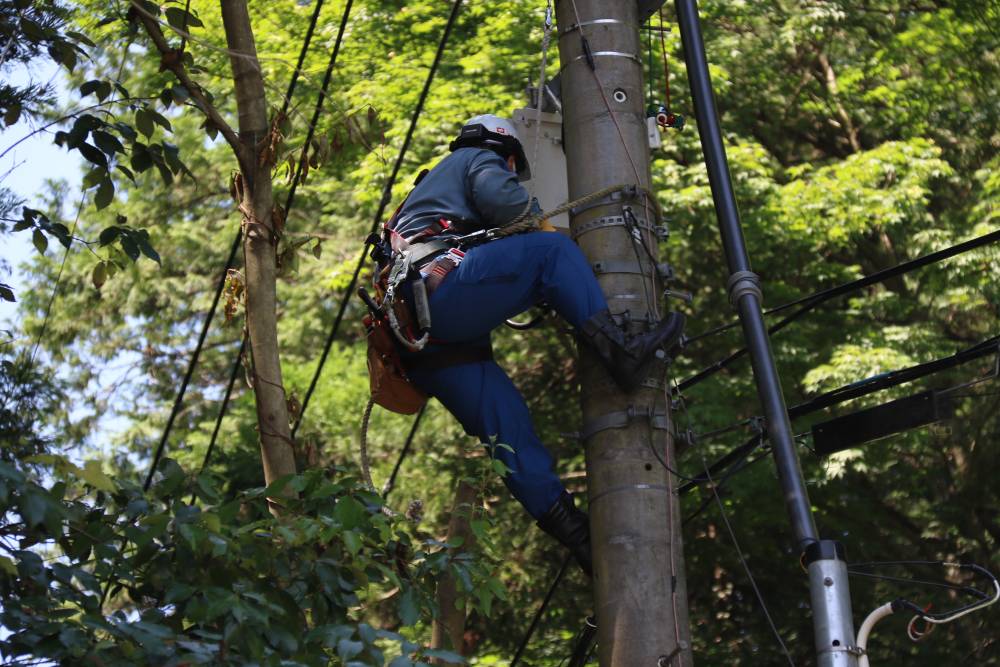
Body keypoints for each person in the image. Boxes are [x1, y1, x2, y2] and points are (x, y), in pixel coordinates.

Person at [391, 114, 684, 575]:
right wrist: (543, 230)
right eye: (511, 165)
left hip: (423, 342)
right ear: (507, 152)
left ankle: (578, 537)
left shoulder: (422, 198)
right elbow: (501, 199)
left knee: (508, 431)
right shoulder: (476, 158)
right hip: (441, 297)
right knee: (553, 253)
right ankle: (622, 352)